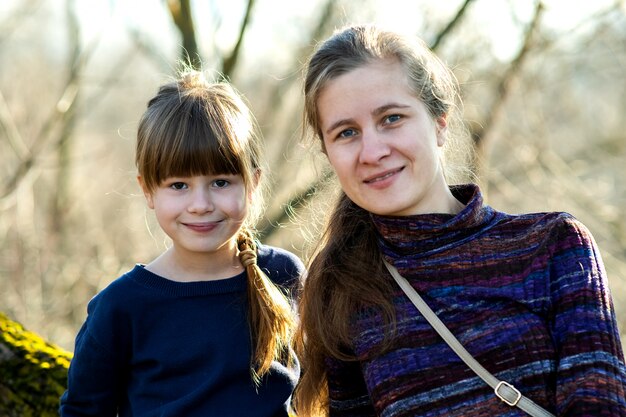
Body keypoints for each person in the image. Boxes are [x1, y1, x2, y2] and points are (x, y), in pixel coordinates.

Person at [293, 24, 626, 417]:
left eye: (391, 118)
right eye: (347, 132)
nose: (373, 150)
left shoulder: (554, 246)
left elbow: (600, 406)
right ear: (328, 153)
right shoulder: (342, 289)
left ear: (440, 123)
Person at [60, 70, 304, 417]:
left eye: (221, 182)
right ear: (148, 190)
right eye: (178, 185)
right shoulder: (122, 307)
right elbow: (83, 412)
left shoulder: (282, 275)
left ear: (252, 184)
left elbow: (317, 388)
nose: (200, 204)